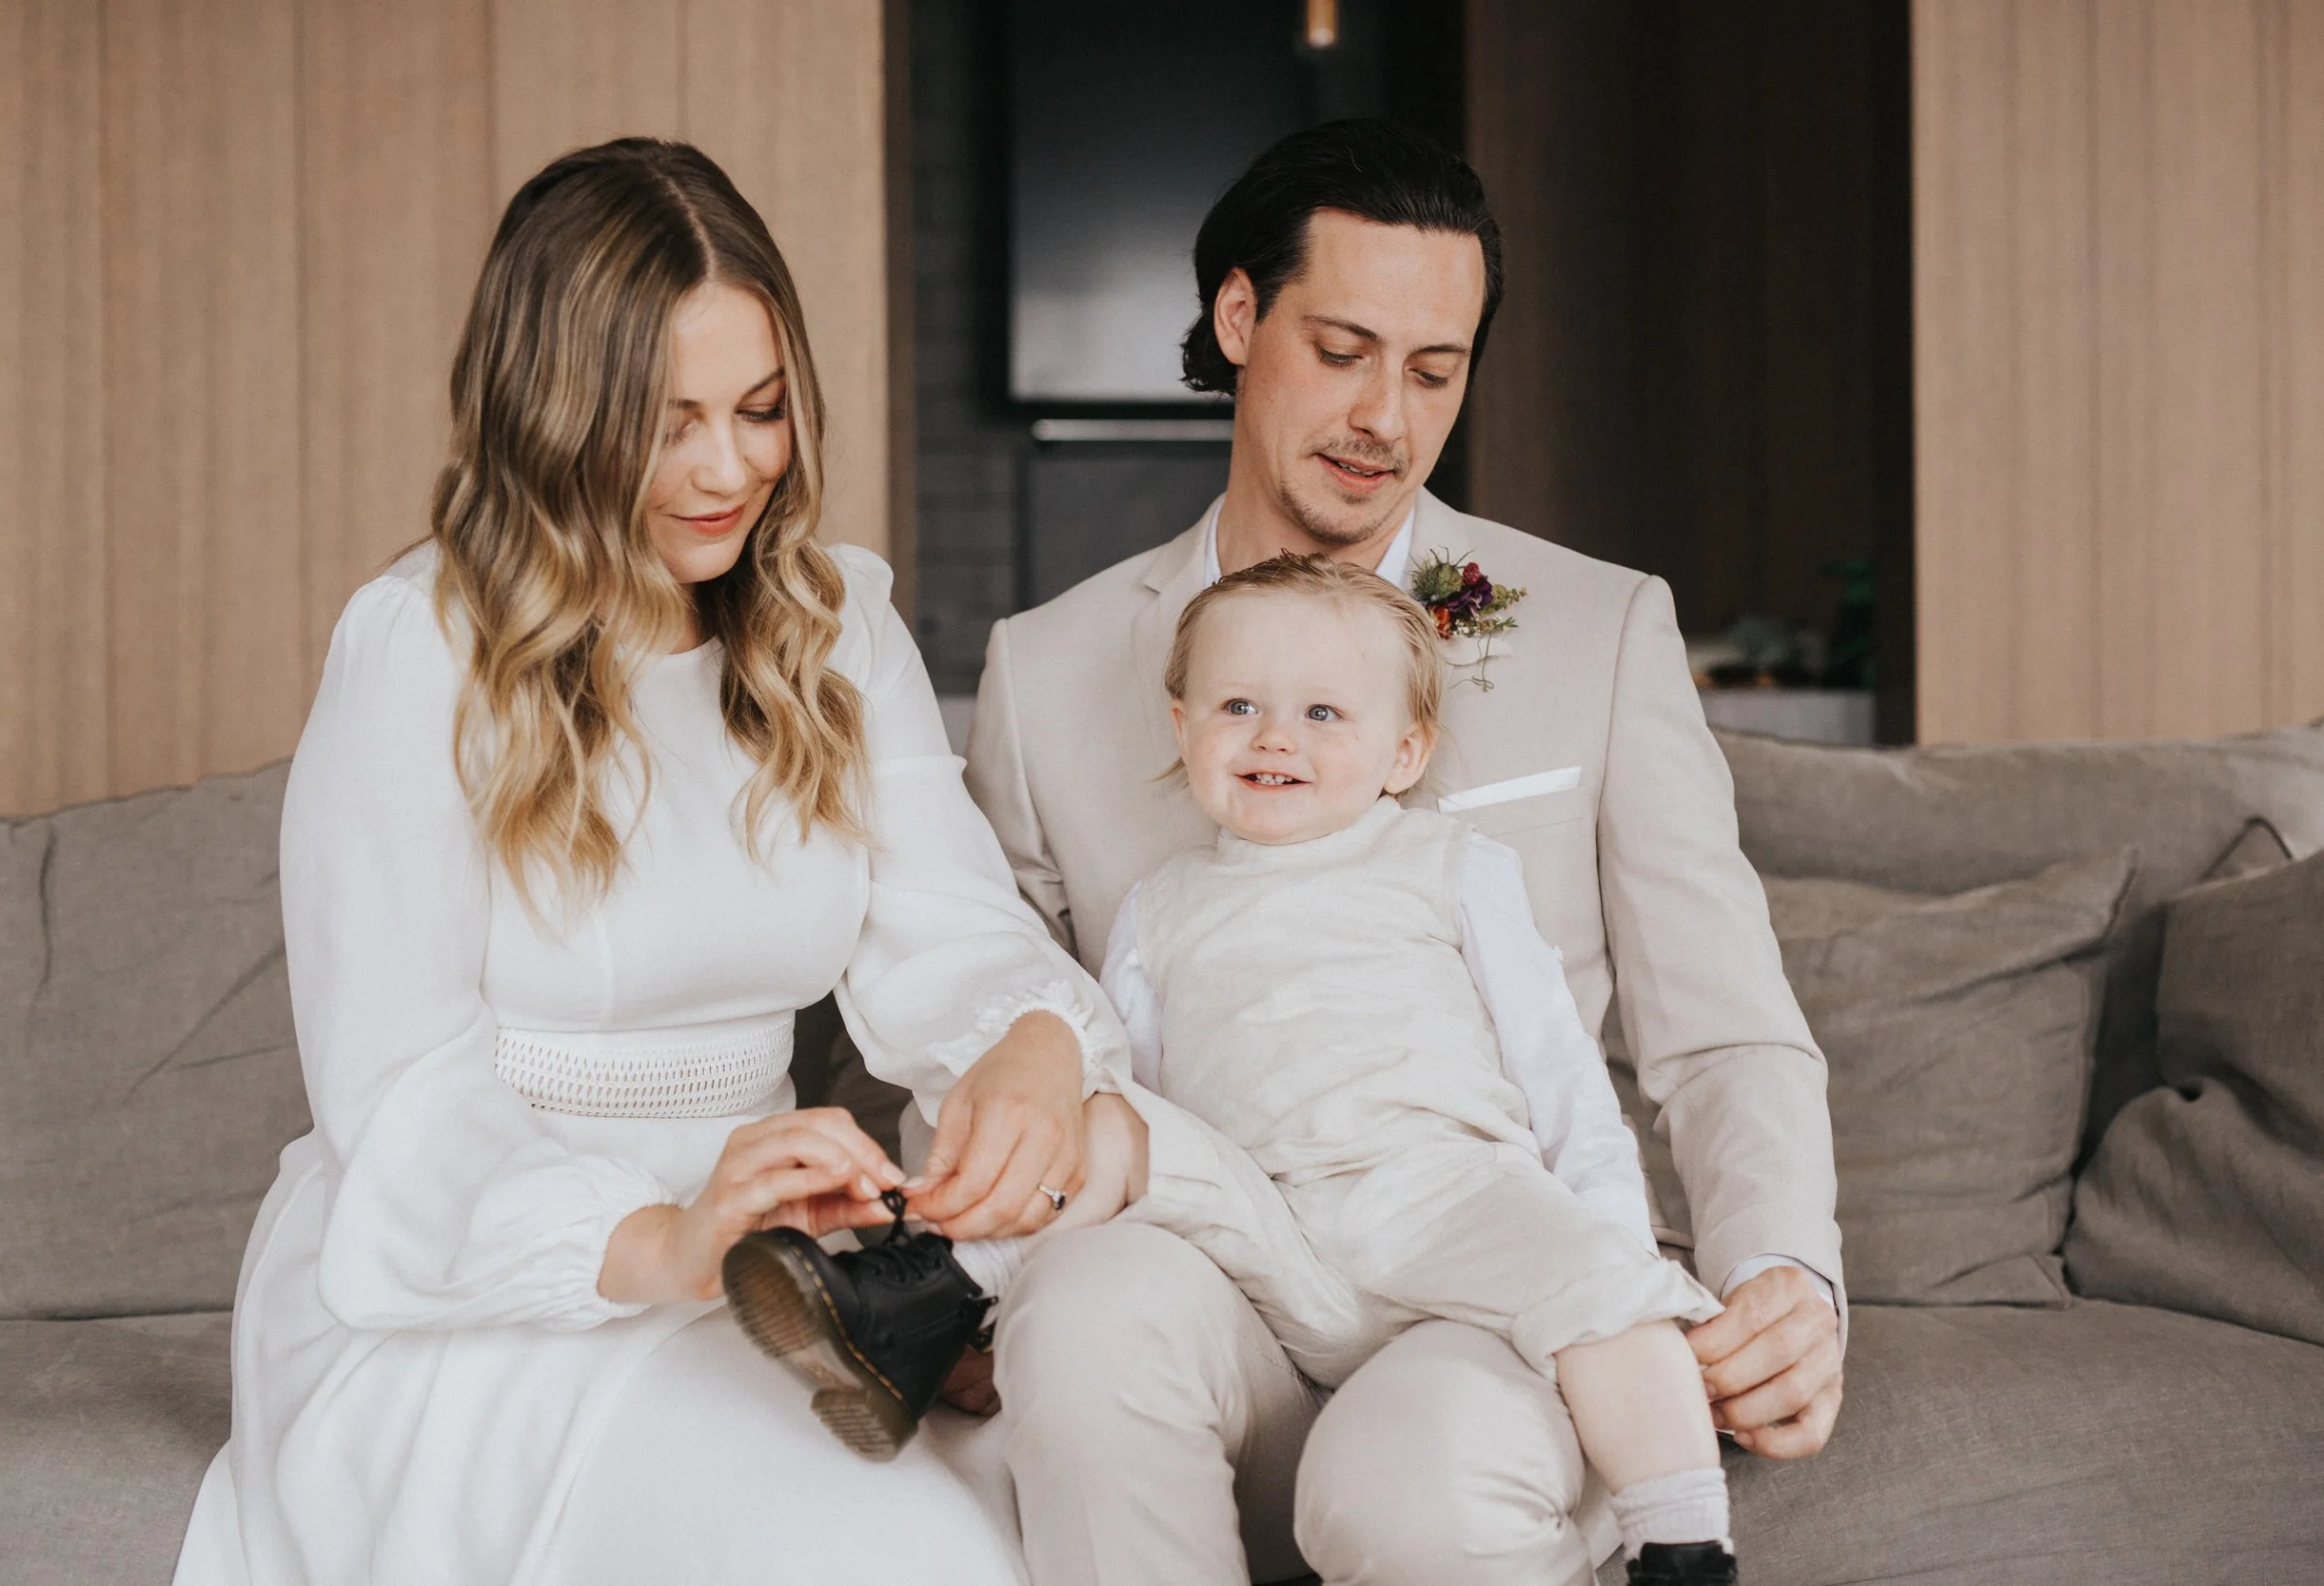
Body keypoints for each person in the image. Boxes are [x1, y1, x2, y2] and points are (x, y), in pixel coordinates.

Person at [170, 137, 1137, 1586]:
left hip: (778, 1265)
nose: (729, 467)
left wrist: (1042, 1044)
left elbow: (957, 936)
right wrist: (665, 1241)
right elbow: (400, 1093)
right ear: (552, 415)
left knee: (1058, 1497)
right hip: (486, 1286)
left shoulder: (830, 619)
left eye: (760, 411)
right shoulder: (421, 648)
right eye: (668, 421)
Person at [965, 118, 1845, 1586]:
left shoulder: (1593, 628)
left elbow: (1729, 1027)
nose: (1386, 412)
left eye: (1434, 372)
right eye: (1343, 348)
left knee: (1417, 1481)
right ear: (1238, 317)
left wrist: (1784, 1276)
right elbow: (995, 1017)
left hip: (1481, 1294)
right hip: (1210, 1266)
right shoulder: (1046, 670)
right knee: (1083, 1314)